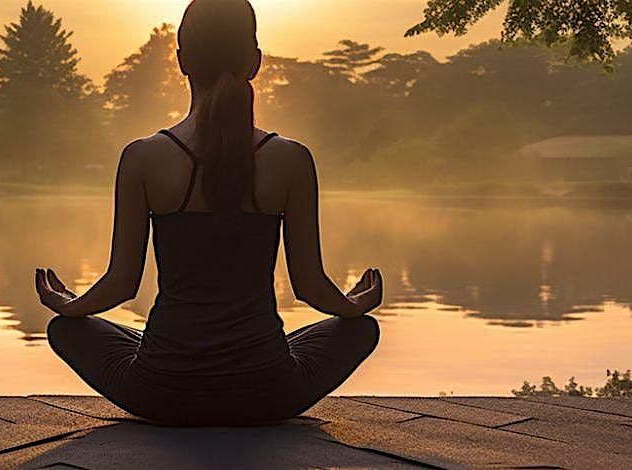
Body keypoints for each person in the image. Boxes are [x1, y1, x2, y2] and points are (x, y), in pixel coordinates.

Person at [35, 0, 382, 426]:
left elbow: (121, 285)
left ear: (182, 62)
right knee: (362, 329)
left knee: (65, 330)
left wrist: (72, 306)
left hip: (162, 393)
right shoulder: (290, 159)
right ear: (254, 62)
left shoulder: (143, 158)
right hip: (267, 393)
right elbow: (310, 287)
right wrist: (353, 306)